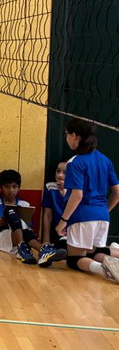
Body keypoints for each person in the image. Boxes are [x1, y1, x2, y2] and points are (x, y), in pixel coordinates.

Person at [54, 119, 119, 282]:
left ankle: (104, 270)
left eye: (66, 134)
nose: (66, 138)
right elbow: (117, 194)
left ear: (74, 136)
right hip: (103, 217)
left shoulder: (75, 162)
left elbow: (77, 195)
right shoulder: (105, 160)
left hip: (82, 216)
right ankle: (112, 264)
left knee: (74, 260)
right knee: (94, 253)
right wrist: (103, 211)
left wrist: (63, 221)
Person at [0, 170, 44, 264]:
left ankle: (33, 250)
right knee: (10, 211)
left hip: (22, 234)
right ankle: (39, 249)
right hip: (2, 238)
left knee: (23, 228)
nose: (11, 190)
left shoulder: (24, 204)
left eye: (14, 186)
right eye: (7, 186)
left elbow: (29, 226)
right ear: (0, 188)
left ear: (19, 188)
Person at [37, 161, 69, 267]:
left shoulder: (76, 190)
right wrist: (45, 240)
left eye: (65, 172)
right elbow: (47, 215)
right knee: (60, 244)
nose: (60, 175)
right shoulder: (50, 187)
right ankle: (48, 252)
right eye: (58, 171)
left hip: (74, 230)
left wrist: (65, 189)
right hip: (59, 232)